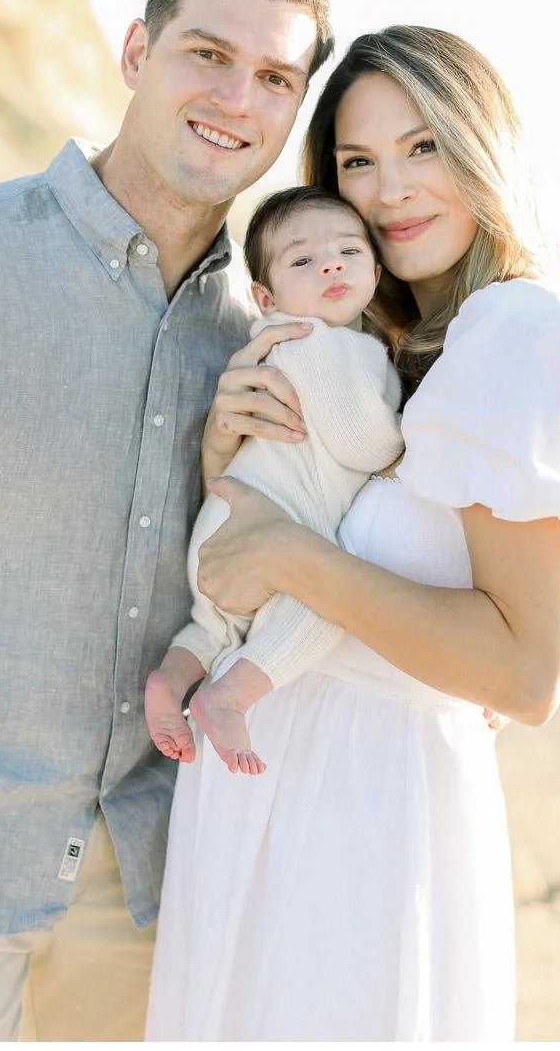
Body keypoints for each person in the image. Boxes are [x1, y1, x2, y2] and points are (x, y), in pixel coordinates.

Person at [0, 0, 334, 1041]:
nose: (234, 97)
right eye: (205, 54)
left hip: (154, 907)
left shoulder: (270, 342)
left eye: (273, 77)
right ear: (134, 52)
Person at [144, 26, 560, 1041]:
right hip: (279, 806)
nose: (388, 192)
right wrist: (230, 457)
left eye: (422, 148)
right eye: (357, 163)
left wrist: (289, 555)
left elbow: (522, 675)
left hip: (364, 829)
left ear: (481, 145)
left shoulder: (520, 336)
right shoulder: (400, 345)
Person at [144, 186, 403, 774]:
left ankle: (172, 680)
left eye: (348, 251)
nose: (331, 264)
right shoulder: (315, 341)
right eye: (304, 260)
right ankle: (226, 696)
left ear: (376, 269)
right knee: (327, 607)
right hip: (268, 527)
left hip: (232, 522)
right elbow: (361, 442)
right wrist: (411, 442)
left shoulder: (327, 343)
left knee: (212, 624)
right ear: (265, 296)